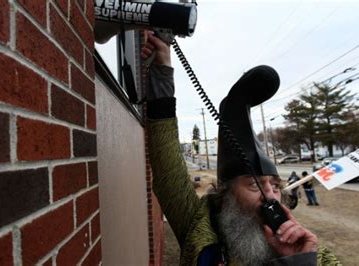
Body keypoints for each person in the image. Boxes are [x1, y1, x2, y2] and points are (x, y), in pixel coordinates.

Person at [142, 31, 340, 265]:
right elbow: (168, 171)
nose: (270, 196)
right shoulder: (199, 227)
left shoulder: (313, 253)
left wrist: (300, 261)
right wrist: (161, 72)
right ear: (226, 195)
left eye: (275, 186)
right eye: (254, 184)